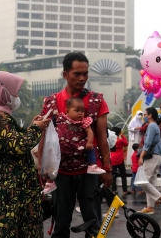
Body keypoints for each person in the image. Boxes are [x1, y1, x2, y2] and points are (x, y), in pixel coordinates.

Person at [39, 52, 112, 237]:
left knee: (93, 225)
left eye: (85, 74)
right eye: (77, 74)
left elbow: (102, 137)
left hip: (89, 172)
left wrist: (107, 168)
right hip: (60, 173)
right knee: (61, 225)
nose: (82, 78)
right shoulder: (51, 102)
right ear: (65, 74)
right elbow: (43, 138)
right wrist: (41, 169)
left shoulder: (96, 100)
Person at [0, 71, 49, 238]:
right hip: (8, 189)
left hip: (2, 187)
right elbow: (18, 146)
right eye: (15, 91)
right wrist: (36, 129)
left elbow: (9, 143)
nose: (17, 96)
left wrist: (31, 127)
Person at [137, 107, 161, 215]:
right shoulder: (155, 126)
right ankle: (150, 207)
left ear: (150, 115)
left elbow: (147, 143)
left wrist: (141, 156)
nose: (144, 116)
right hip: (157, 156)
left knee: (143, 182)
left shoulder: (151, 126)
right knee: (151, 182)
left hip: (152, 156)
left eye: (145, 114)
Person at [111, 126, 129, 195]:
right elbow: (126, 143)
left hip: (112, 159)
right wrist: (123, 135)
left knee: (113, 176)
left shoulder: (111, 140)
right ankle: (124, 190)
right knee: (123, 175)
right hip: (120, 159)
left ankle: (114, 190)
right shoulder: (119, 140)